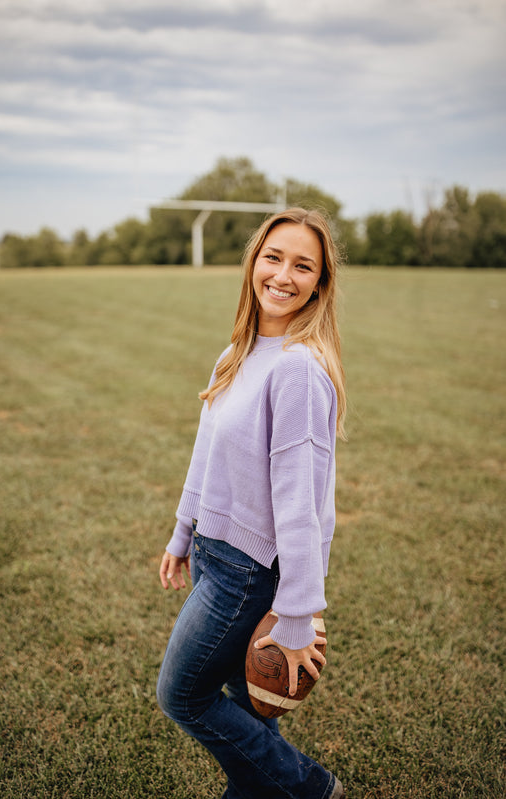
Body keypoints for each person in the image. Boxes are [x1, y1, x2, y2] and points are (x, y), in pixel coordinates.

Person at [156, 207, 347, 799]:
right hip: (214, 554)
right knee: (247, 708)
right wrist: (183, 531)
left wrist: (296, 615)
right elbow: (204, 454)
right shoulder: (236, 352)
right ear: (253, 264)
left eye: (303, 265)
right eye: (273, 257)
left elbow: (301, 508)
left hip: (246, 572)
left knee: (183, 695)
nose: (284, 275)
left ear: (320, 282)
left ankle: (310, 788)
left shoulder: (297, 372)